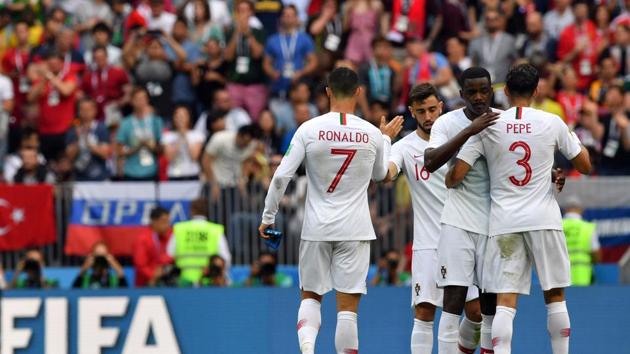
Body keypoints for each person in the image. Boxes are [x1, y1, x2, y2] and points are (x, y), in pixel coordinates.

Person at [445, 64, 592, 354]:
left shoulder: (488, 126)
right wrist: (570, 140)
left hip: (504, 222)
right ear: (537, 90)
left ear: (506, 92)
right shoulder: (553, 122)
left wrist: (453, 173)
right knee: (555, 295)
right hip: (543, 218)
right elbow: (585, 165)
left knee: (504, 301)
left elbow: (455, 176)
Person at [258, 67, 403, 354]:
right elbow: (382, 175)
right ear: (359, 92)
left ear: (327, 92)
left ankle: (308, 350)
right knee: (347, 309)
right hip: (356, 228)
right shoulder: (371, 133)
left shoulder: (308, 129)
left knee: (310, 297)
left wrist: (268, 217)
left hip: (317, 227)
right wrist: (386, 139)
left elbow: (281, 176)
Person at [382, 83, 482, 354]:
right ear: (413, 113)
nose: (428, 117)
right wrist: (382, 142)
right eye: (421, 111)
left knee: (476, 312)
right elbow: (386, 174)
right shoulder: (404, 147)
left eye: (432, 109)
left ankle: (462, 348)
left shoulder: (462, 138)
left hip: (464, 236)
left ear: (441, 106)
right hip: (428, 243)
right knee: (425, 312)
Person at [423, 67, 500, 354]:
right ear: (461, 95)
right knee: (453, 302)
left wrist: (551, 176)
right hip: (457, 221)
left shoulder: (502, 122)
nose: (478, 97)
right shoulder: (446, 123)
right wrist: (470, 130)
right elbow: (429, 162)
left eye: (484, 90)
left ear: (491, 90)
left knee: (489, 307)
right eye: (472, 92)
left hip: (494, 224)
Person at [167, 198, 232, 285]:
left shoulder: (180, 229)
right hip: (208, 281)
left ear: (191, 210)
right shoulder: (215, 230)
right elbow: (225, 258)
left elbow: (169, 254)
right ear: (207, 211)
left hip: (183, 281)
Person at [224, 0, 268, 121]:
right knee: (234, 119)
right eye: (240, 11)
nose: (243, 14)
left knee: (255, 119)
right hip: (235, 83)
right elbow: (227, 56)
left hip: (254, 84)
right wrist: (237, 33)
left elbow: (257, 54)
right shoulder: (230, 31)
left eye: (245, 10)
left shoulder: (259, 32)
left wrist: (248, 33)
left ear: (251, 13)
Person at [263, 5, 317, 98]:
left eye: (291, 15)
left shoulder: (304, 39)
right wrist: (272, 73)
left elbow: (313, 62)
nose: (288, 17)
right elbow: (266, 63)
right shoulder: (272, 40)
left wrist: (301, 73)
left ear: (297, 18)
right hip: (278, 88)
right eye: (285, 15)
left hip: (298, 87)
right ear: (281, 18)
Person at [115, 86, 163, 181]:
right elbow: (119, 151)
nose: (141, 102)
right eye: (137, 99)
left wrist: (150, 146)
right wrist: (136, 148)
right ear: (132, 101)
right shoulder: (126, 123)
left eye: (143, 98)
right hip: (131, 173)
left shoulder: (156, 121)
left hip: (151, 171)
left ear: (147, 100)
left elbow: (161, 148)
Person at [201, 124, 258, 201]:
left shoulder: (251, 144)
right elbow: (206, 161)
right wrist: (213, 184)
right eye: (244, 142)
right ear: (238, 135)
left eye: (248, 143)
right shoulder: (219, 139)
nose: (245, 145)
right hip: (216, 183)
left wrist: (244, 179)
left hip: (234, 186)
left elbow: (246, 162)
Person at [65, 98, 111, 181]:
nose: (85, 113)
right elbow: (70, 157)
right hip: (79, 177)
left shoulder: (101, 129)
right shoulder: (73, 130)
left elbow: (105, 154)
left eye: (88, 109)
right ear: (78, 112)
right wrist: (78, 139)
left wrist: (88, 142)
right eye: (82, 109)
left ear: (95, 110)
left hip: (100, 177)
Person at [469, 9, 516, 84]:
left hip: (503, 85)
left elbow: (515, 61)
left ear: (500, 20)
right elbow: (473, 63)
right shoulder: (476, 42)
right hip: (483, 87)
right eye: (488, 19)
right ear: (484, 21)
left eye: (495, 18)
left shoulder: (509, 40)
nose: (491, 21)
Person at [562, 196, 601, 286]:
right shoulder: (588, 227)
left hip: (560, 275)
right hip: (582, 275)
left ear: (565, 209)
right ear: (581, 210)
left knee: (559, 300)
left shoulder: (557, 225)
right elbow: (596, 253)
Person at [161, 105, 205, 180]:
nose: (180, 119)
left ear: (189, 117)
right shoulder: (167, 136)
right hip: (173, 174)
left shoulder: (197, 135)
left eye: (183, 116)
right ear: (173, 118)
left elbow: (194, 156)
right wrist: (179, 137)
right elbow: (169, 157)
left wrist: (185, 136)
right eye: (177, 116)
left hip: (192, 173)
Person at [133, 207, 174, 287]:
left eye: (168, 222)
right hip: (145, 285)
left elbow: (172, 255)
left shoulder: (169, 236)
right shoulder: (143, 239)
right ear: (154, 221)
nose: (167, 225)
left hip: (163, 282)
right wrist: (153, 276)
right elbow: (141, 265)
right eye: (164, 222)